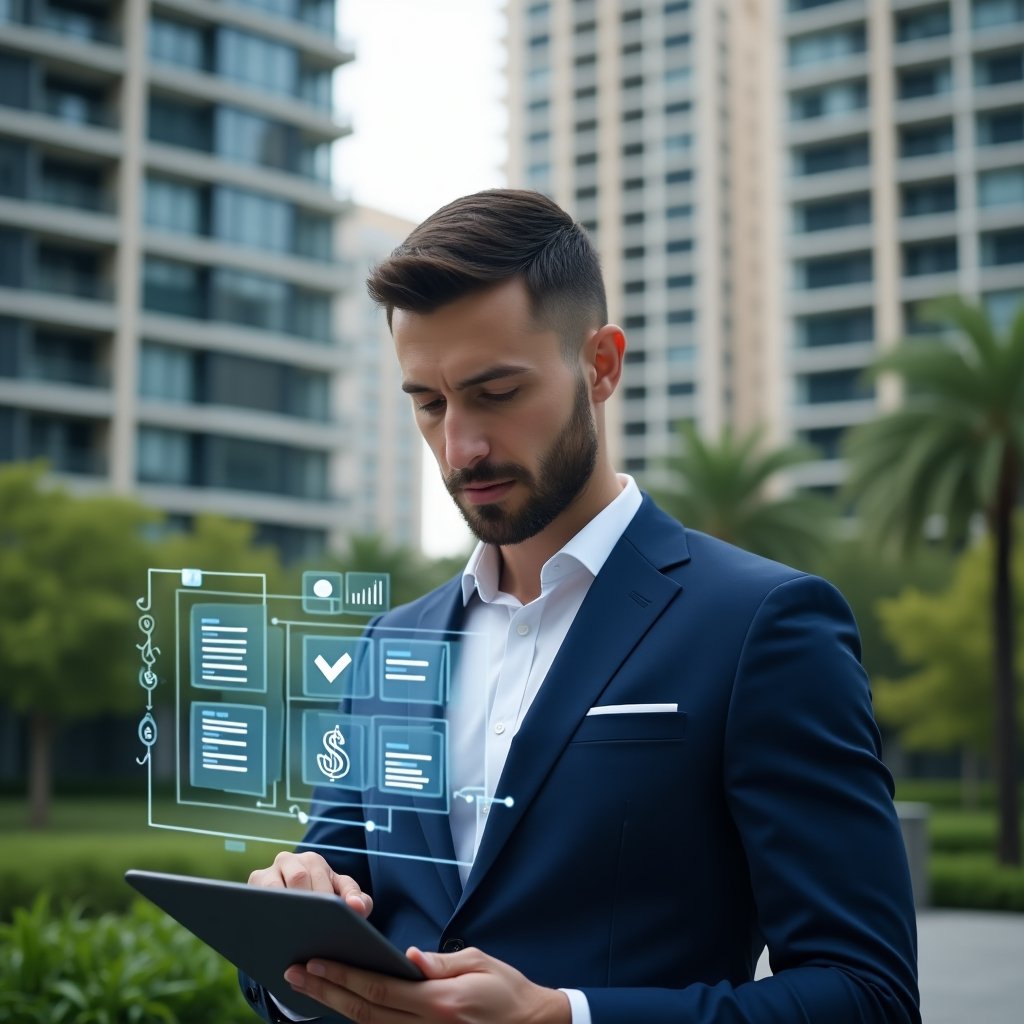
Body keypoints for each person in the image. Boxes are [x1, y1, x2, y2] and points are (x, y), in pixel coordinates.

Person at [242, 188, 920, 1023]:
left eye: (495, 391)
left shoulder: (763, 626)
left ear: (600, 365)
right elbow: (317, 929)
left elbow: (869, 995)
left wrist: (566, 1016)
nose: (460, 447)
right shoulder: (391, 644)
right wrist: (294, 914)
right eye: (429, 402)